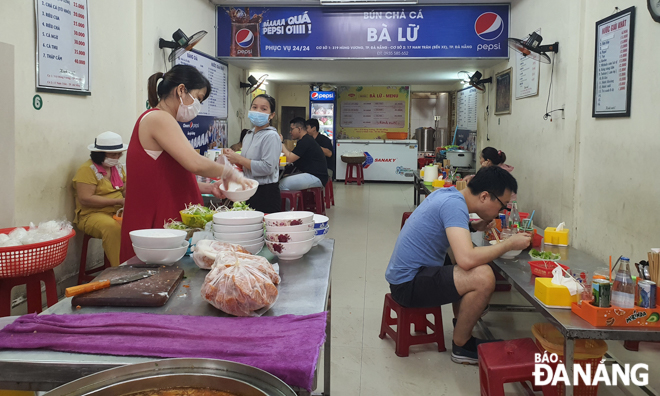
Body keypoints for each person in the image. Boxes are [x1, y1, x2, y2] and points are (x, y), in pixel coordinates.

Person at [385, 166, 531, 365]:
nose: (500, 212)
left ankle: (463, 321)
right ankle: (462, 344)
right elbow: (467, 259)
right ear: (485, 196)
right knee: (482, 275)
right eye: (502, 206)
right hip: (408, 285)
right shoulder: (454, 205)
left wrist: (474, 226)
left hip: (408, 275)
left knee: (465, 261)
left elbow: (448, 231)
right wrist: (508, 244)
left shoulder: (450, 195)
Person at [120, 65, 248, 263]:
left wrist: (208, 187)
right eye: (198, 98)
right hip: (157, 224)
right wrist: (229, 172)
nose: (198, 105)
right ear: (181, 90)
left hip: (167, 217)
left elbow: (164, 176)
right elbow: (194, 163)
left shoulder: (163, 119)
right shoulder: (158, 118)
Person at [73, 132, 128, 267]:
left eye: (119, 154)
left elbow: (125, 188)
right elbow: (85, 198)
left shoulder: (117, 168)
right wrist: (118, 201)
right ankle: (121, 270)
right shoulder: (87, 170)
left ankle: (140, 265)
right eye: (112, 155)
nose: (116, 158)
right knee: (113, 228)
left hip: (118, 212)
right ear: (99, 154)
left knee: (139, 223)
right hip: (91, 215)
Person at [224, 95, 281, 213]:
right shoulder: (248, 135)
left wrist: (239, 159)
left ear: (271, 115)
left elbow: (267, 168)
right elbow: (247, 164)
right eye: (254, 107)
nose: (258, 111)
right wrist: (233, 159)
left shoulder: (271, 136)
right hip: (248, 188)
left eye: (263, 109)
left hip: (265, 192)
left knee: (263, 228)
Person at [280, 117, 328, 192]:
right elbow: (292, 155)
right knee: (284, 178)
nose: (290, 132)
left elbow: (289, 158)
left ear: (299, 129)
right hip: (313, 175)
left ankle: (290, 204)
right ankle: (296, 203)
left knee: (281, 184)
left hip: (316, 177)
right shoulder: (304, 140)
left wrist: (281, 143)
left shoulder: (306, 141)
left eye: (292, 129)